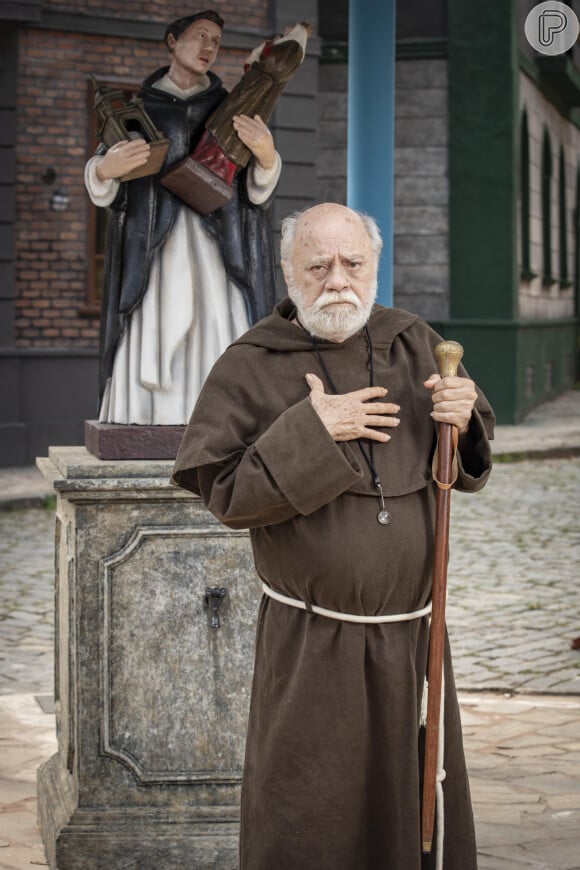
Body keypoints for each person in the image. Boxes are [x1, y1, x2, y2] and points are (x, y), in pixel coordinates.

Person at [172, 203, 495, 869]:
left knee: (413, 797)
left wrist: (463, 418)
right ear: (289, 273)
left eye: (353, 264)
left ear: (374, 267)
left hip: (413, 636)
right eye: (318, 266)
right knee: (308, 806)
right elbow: (227, 497)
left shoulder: (415, 342)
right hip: (312, 641)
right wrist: (312, 430)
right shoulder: (250, 363)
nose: (338, 280)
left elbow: (465, 459)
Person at [85, 10, 281, 425]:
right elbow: (105, 175)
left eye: (216, 41)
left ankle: (216, 419)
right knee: (158, 322)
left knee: (216, 322)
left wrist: (266, 156)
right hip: (157, 245)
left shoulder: (231, 107)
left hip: (216, 243)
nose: (209, 47)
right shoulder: (142, 107)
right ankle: (149, 417)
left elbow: (254, 190)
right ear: (172, 41)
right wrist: (106, 170)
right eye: (200, 36)